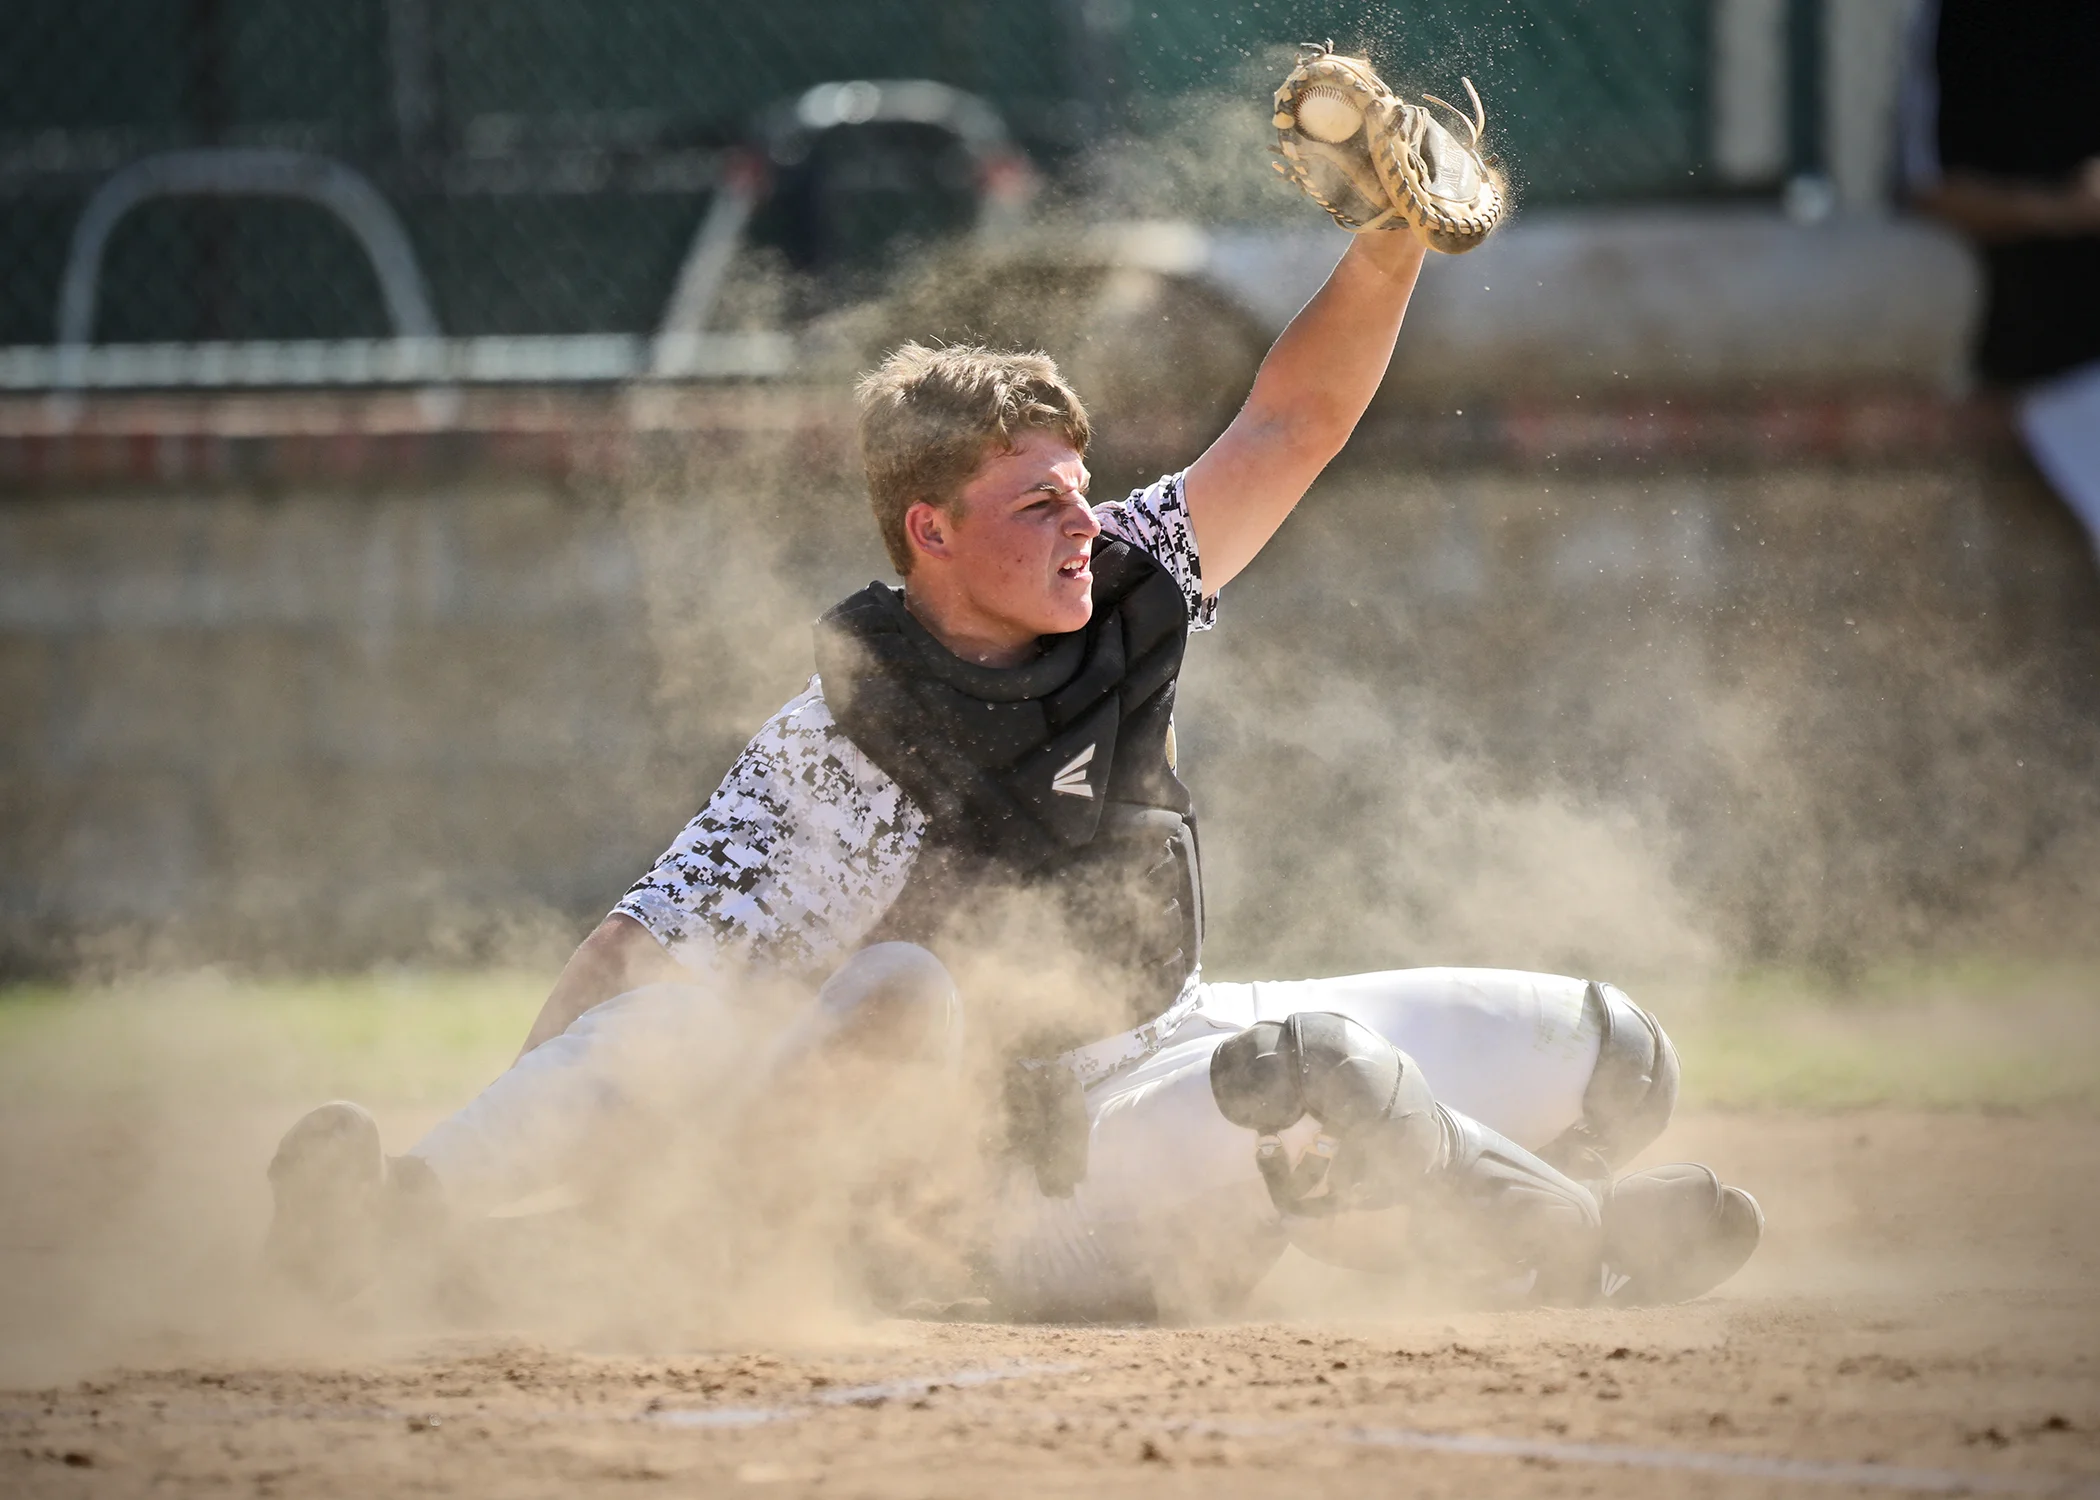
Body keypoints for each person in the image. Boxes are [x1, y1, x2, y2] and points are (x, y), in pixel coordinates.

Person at [266, 224, 1762, 1321]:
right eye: (1036, 502)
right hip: (1017, 1184)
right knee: (1239, 1070)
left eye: (1080, 488)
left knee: (1617, 1055)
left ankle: (1429, 1224)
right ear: (929, 532)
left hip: (1164, 1034)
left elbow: (1293, 421)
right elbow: (624, 962)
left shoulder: (1127, 575)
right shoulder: (838, 741)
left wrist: (1392, 238)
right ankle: (407, 1224)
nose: (1083, 524)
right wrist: (579, 1163)